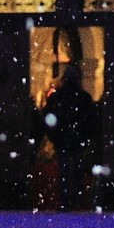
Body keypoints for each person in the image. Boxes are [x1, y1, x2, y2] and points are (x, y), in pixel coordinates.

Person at [41, 61, 101, 212]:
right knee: (77, 173)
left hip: (63, 141)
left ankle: (65, 201)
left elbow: (48, 118)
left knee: (64, 173)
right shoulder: (83, 98)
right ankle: (76, 201)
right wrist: (85, 137)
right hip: (76, 140)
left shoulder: (58, 97)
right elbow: (92, 120)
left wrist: (55, 136)